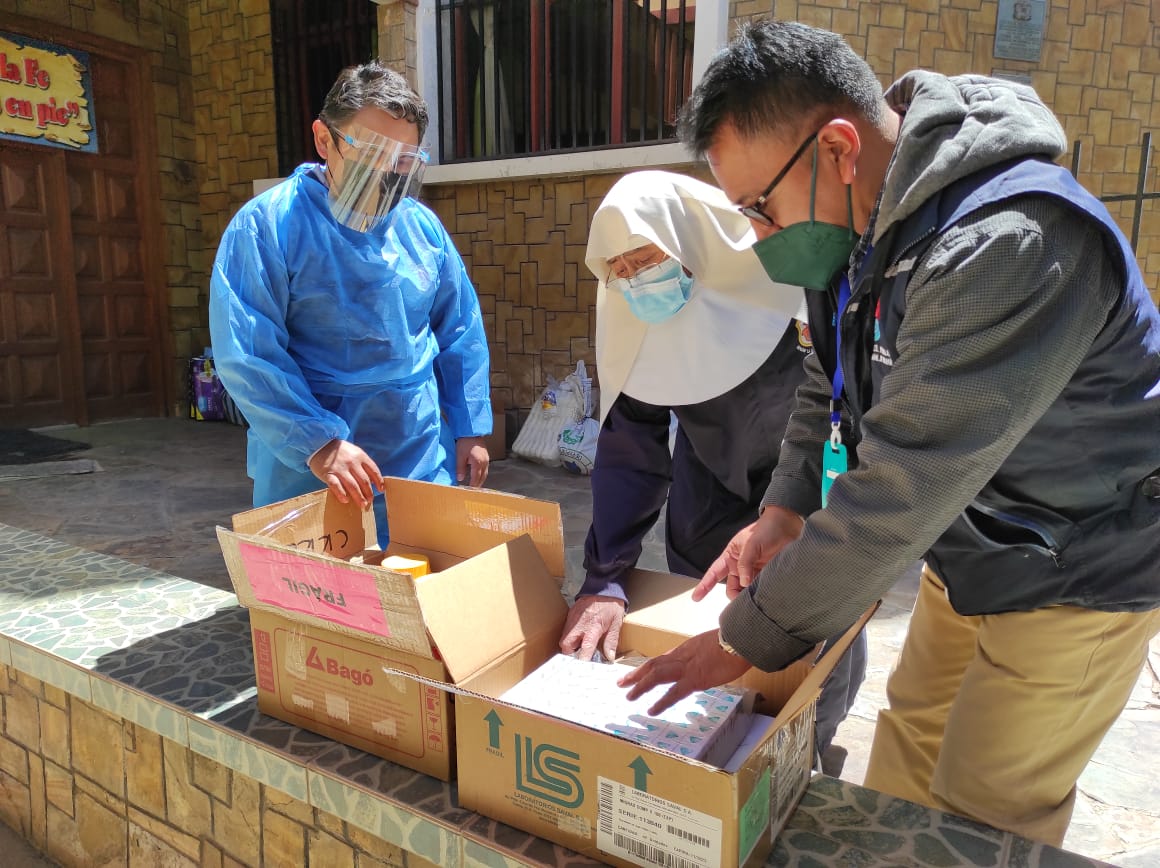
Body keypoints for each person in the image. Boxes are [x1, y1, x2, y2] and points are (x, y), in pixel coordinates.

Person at [621, 19, 1160, 846]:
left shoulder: (1007, 244)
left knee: (981, 815)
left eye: (758, 210)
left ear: (838, 148)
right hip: (975, 543)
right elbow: (823, 378)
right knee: (907, 757)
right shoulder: (862, 222)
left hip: (1078, 562)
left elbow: (903, 490)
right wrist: (784, 508)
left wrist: (745, 640)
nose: (762, 240)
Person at [559, 170, 867, 764]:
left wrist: (804, 514)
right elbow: (629, 452)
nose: (634, 280)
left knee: (811, 651)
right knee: (713, 649)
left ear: (690, 244)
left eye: (644, 260)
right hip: (709, 499)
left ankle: (803, 752)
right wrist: (606, 577)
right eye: (618, 271)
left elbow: (833, 408)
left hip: (805, 497)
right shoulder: (639, 318)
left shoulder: (781, 290)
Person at [209, 61, 491, 546]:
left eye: (403, 161)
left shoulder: (420, 227)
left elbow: (459, 328)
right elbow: (249, 353)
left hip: (415, 444)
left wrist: (469, 426)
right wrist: (318, 443)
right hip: (311, 462)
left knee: (418, 574)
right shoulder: (268, 226)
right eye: (370, 153)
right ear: (325, 141)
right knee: (321, 600)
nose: (386, 174)